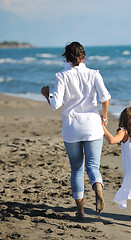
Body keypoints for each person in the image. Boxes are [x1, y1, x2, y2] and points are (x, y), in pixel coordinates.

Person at [41, 42, 111, 219]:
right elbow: (105, 97)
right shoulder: (94, 74)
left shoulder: (62, 76)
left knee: (77, 169)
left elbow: (55, 104)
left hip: (72, 128)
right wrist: (104, 117)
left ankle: (80, 211)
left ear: (66, 57)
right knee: (93, 166)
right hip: (93, 127)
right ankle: (98, 190)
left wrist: (46, 95)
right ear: (84, 56)